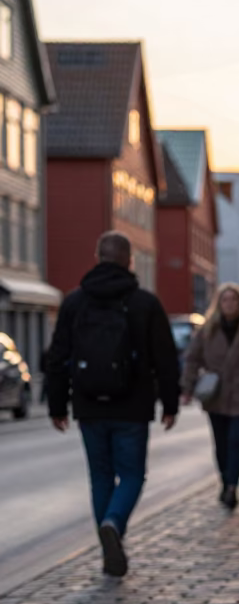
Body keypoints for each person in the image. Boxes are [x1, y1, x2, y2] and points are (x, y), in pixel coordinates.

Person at [47, 231, 179, 577]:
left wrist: (57, 404)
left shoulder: (75, 302)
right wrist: (170, 402)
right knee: (133, 474)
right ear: (129, 260)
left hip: (89, 404)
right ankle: (114, 524)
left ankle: (108, 543)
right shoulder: (145, 303)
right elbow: (165, 357)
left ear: (97, 256)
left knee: (100, 476)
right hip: (132, 405)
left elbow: (58, 355)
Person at [181, 283, 239, 509]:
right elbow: (192, 359)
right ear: (218, 304)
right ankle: (224, 479)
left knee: (235, 441)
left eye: (234, 300)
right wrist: (187, 388)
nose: (230, 304)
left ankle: (232, 486)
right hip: (216, 394)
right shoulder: (208, 330)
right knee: (221, 443)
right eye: (225, 300)